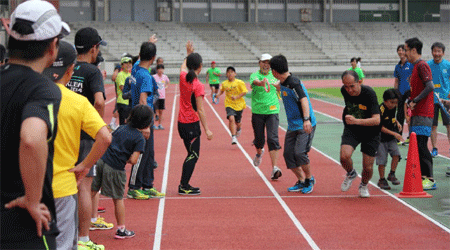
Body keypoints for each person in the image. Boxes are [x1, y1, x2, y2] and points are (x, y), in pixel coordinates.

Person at [0, 1, 68, 248]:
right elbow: (31, 137)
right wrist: (32, 199)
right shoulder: (43, 89)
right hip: (25, 225)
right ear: (52, 47)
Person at [43, 41, 111, 250]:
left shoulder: (25, 94)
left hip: (26, 186)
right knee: (62, 244)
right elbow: (105, 137)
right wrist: (85, 165)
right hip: (63, 185)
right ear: (70, 69)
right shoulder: (77, 102)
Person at [67, 26, 114, 247]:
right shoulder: (92, 71)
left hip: (64, 132)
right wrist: (97, 127)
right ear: (94, 48)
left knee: (64, 183)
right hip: (84, 136)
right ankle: (84, 239)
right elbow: (100, 101)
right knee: (84, 186)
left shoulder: (66, 66)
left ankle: (66, 235)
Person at [92, 105, 152, 240]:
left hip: (102, 161)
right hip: (116, 168)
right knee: (118, 199)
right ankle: (121, 229)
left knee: (91, 192)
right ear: (146, 123)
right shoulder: (139, 138)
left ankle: (78, 221)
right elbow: (134, 160)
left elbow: (110, 140)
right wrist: (128, 155)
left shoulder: (121, 128)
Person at [270, 55, 316, 193]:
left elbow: (303, 100)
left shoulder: (294, 83)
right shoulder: (283, 82)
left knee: (299, 153)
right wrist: (266, 84)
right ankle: (301, 180)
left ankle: (309, 179)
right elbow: (280, 87)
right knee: (288, 155)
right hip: (293, 125)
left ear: (275, 71)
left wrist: (306, 120)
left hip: (304, 124)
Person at [127, 38, 165, 199]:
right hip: (143, 120)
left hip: (140, 117)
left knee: (149, 153)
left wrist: (148, 43)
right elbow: (143, 100)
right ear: (153, 58)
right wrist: (146, 125)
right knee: (141, 152)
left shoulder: (136, 69)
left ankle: (147, 184)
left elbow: (139, 59)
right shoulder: (147, 77)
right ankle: (134, 187)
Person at [178, 41, 213, 195]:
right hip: (191, 123)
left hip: (181, 123)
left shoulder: (182, 77)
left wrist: (188, 55)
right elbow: (200, 109)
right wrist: (207, 129)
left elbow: (183, 67)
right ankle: (183, 185)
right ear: (200, 67)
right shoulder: (198, 85)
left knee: (191, 153)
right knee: (194, 154)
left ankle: (185, 184)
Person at [340, 70, 381, 198]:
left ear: (359, 82)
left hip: (371, 131)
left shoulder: (369, 94)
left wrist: (357, 120)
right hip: (353, 128)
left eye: (352, 86)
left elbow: (377, 119)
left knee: (367, 167)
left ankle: (363, 184)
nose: (349, 90)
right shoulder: (344, 91)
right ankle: (351, 173)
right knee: (344, 156)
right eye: (346, 86)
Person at [404, 37, 435, 190]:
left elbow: (430, 86)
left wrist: (415, 100)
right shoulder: (415, 67)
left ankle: (430, 178)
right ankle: (423, 177)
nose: (404, 53)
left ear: (414, 50)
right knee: (417, 146)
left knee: (422, 145)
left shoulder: (422, 66)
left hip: (424, 112)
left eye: (406, 50)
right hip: (417, 112)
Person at [249, 53, 283, 180]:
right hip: (258, 112)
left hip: (272, 111)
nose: (266, 65)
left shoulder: (275, 76)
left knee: (273, 138)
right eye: (264, 62)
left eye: (268, 62)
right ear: (259, 63)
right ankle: (259, 153)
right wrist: (262, 83)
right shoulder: (254, 75)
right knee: (259, 140)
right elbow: (255, 82)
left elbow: (281, 87)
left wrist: (280, 88)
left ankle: (275, 168)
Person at [375, 89, 403, 190]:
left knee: (396, 154)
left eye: (396, 103)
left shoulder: (393, 108)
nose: (394, 105)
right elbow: (380, 127)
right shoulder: (380, 110)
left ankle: (392, 174)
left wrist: (397, 122)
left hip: (391, 138)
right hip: (381, 139)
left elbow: (392, 117)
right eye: (392, 102)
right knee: (382, 160)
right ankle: (382, 179)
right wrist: (395, 133)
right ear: (385, 101)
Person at [428, 42, 450, 158]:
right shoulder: (427, 65)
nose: (437, 53)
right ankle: (434, 148)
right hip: (432, 100)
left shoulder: (448, 65)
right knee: (433, 126)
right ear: (432, 52)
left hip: (446, 100)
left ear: (443, 53)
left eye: (439, 51)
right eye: (435, 51)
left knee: (449, 125)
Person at [216, 66, 248, 145]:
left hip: (239, 105)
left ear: (235, 73)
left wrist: (236, 97)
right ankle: (233, 137)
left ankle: (239, 128)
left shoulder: (240, 82)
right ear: (226, 74)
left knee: (238, 122)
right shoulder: (224, 83)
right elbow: (222, 90)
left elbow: (244, 92)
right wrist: (217, 95)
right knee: (231, 118)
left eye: (231, 72)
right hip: (229, 104)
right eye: (228, 72)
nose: (230, 73)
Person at [394, 44, 414, 140]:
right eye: (399, 50)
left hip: (409, 92)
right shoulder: (397, 66)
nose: (400, 52)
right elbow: (396, 81)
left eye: (402, 50)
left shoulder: (410, 64)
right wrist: (395, 93)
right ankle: (399, 136)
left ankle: (411, 136)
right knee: (400, 115)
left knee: (410, 114)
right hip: (400, 93)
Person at [115, 56, 133, 125]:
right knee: (123, 124)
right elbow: (122, 88)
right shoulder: (120, 75)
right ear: (122, 65)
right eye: (126, 63)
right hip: (122, 102)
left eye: (130, 63)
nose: (128, 65)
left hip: (129, 102)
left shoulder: (130, 75)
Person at [152, 64, 170, 130]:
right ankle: (153, 124)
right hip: (156, 96)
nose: (160, 70)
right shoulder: (154, 77)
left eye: (162, 69)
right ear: (157, 70)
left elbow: (168, 81)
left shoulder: (164, 77)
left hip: (162, 96)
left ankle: (159, 124)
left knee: (161, 111)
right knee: (155, 111)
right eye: (159, 69)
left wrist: (166, 86)